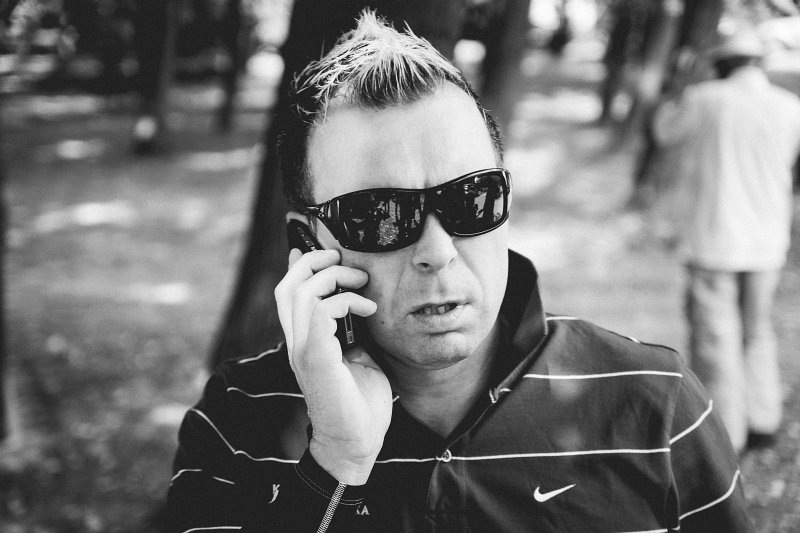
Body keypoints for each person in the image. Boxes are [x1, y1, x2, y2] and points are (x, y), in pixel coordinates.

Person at [167, 11, 752, 532]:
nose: (438, 250)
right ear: (309, 241)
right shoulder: (235, 423)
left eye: (473, 198)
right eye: (381, 215)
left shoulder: (657, 406)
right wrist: (335, 463)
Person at [652, 29, 800, 454]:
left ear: (721, 64)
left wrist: (677, 87)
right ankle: (763, 419)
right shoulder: (790, 106)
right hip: (768, 239)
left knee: (716, 339)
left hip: (715, 238)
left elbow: (664, 132)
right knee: (757, 330)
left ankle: (724, 432)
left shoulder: (705, 99)